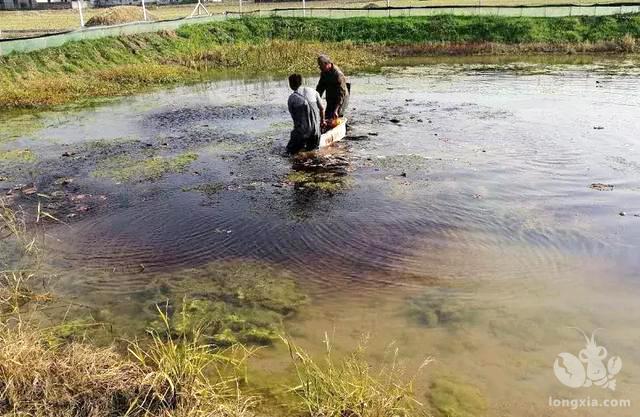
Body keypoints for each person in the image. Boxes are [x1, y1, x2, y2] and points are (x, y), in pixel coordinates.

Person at [287, 73, 325, 154]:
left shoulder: (292, 98)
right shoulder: (313, 91)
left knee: (289, 153)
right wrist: (322, 121)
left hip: (302, 131)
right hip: (316, 131)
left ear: (290, 84)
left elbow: (295, 118)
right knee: (313, 152)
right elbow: (322, 109)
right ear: (301, 82)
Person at [316, 54, 350, 121]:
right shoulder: (324, 72)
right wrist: (315, 100)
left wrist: (336, 109)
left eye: (321, 67)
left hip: (341, 98)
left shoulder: (337, 74)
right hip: (331, 96)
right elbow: (320, 88)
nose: (320, 68)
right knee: (327, 117)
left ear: (327, 64)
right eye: (319, 67)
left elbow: (341, 93)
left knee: (337, 116)